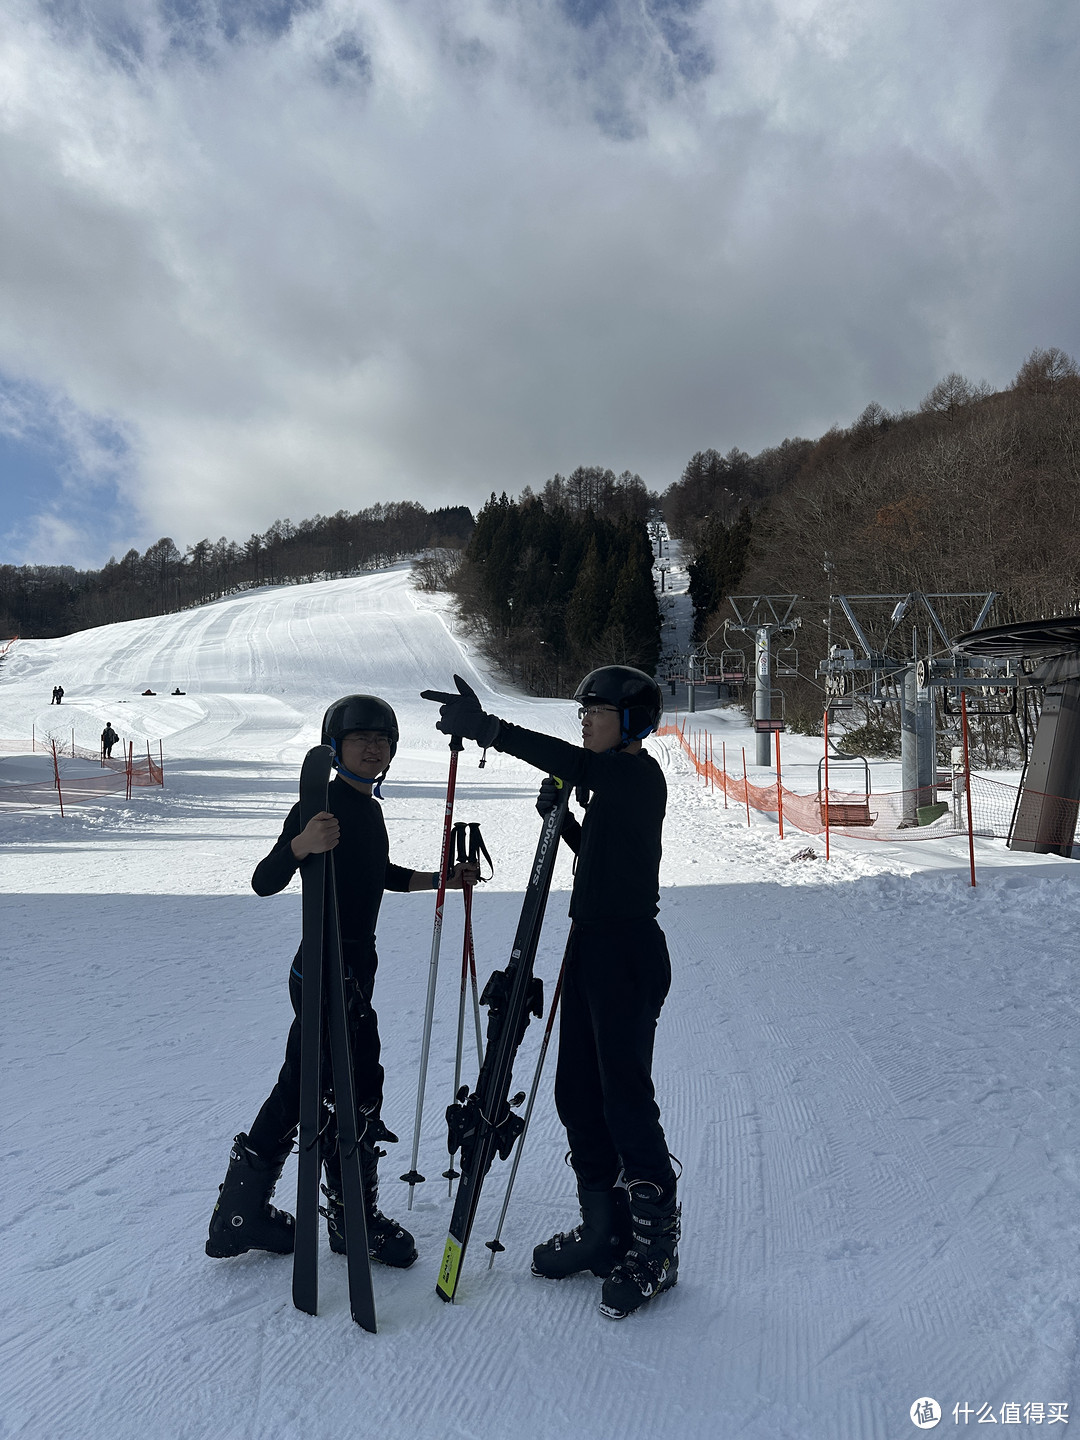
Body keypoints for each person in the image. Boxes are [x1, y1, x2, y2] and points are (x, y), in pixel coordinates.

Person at [421, 667, 679, 1320]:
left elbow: (568, 761)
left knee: (625, 1101)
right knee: (576, 1095)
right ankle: (604, 1231)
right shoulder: (610, 787)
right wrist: (561, 825)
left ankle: (656, 1249)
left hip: (626, 954)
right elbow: (601, 855)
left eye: (598, 712)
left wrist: (488, 730)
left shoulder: (637, 776)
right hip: (589, 949)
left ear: (633, 723)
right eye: (583, 712)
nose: (586, 720)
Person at [206, 694, 476, 1269]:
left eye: (382, 740)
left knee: (308, 1087)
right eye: (361, 739)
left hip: (355, 967)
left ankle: (244, 1213)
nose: (373, 748)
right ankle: (350, 1219)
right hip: (326, 967)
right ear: (336, 748)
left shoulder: (368, 809)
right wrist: (302, 844)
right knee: (353, 1087)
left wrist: (441, 879)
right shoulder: (322, 799)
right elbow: (265, 879)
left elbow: (377, 877)